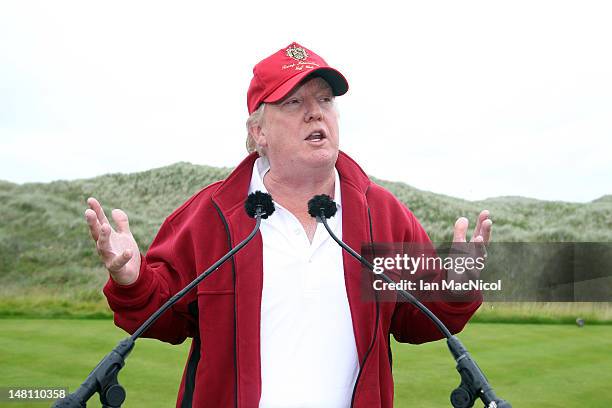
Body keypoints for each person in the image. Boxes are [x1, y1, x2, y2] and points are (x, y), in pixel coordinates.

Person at [85, 42, 492, 408]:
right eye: (294, 102)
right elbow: (164, 318)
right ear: (258, 131)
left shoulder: (381, 213)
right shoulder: (210, 213)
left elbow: (414, 320)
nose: (316, 111)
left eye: (325, 99)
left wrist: (456, 287)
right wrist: (132, 280)